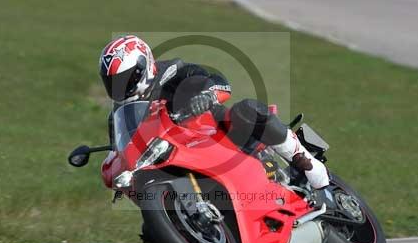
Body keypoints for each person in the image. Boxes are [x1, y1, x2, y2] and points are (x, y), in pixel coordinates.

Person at [99, 35, 331, 191]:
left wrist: (207, 96)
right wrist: (112, 162)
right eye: (113, 82)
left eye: (124, 79)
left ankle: (306, 161)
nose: (119, 87)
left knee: (246, 111)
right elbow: (120, 152)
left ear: (144, 65)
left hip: (210, 130)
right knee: (149, 230)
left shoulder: (171, 72)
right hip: (171, 154)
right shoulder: (119, 115)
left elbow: (217, 81)